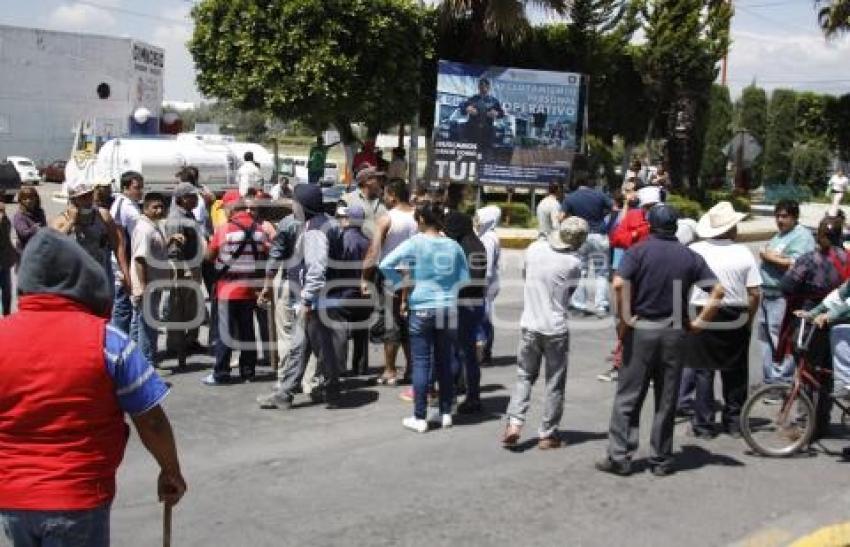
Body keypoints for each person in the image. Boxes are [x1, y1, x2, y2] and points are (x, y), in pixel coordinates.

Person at [0, 229, 185, 545]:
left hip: (13, 498)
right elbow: (150, 419)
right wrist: (171, 470)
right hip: (79, 495)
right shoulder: (110, 342)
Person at [596, 204, 725, 477]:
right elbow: (718, 290)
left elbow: (618, 284)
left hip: (642, 329)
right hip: (675, 332)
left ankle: (620, 456)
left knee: (628, 396)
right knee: (667, 399)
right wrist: (700, 323)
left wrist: (625, 318)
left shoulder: (638, 251)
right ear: (675, 226)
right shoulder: (689, 256)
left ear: (650, 225)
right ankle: (661, 459)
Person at [379, 202, 470, 433]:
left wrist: (402, 285)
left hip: (421, 308)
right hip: (447, 309)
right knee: (445, 361)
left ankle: (420, 417)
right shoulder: (453, 246)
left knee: (421, 363)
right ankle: (446, 412)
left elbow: (385, 264)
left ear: (420, 220)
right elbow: (465, 279)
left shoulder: (415, 243)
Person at [502, 217, 586, 449]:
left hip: (530, 323)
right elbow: (568, 295)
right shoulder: (574, 263)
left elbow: (525, 275)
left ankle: (514, 423)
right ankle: (547, 433)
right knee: (554, 382)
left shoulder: (534, 248)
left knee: (524, 375)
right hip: (556, 327)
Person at [686, 202, 762, 438]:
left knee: (703, 369)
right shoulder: (743, 252)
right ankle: (734, 421)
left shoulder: (695, 250)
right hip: (735, 311)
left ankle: (704, 424)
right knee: (736, 370)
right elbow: (755, 292)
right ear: (731, 229)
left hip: (701, 309)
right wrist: (748, 319)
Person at [782, 216, 849, 438]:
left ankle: (804, 424)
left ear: (819, 236)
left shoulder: (809, 260)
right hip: (841, 323)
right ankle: (823, 421)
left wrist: (813, 311)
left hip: (814, 319)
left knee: (807, 371)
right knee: (830, 373)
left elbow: (787, 285)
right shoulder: (848, 259)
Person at [204, 191, 270, 385]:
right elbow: (269, 251)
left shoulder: (225, 229)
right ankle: (248, 371)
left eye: (224, 208)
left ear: (231, 207)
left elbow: (208, 256)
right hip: (250, 288)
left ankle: (221, 373)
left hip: (227, 288)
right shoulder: (259, 230)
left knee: (225, 333)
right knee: (247, 330)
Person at [361, 179, 418, 385]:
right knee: (410, 322)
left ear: (393, 195)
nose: (384, 197)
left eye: (386, 194)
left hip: (391, 277)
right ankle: (412, 369)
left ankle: (390, 370)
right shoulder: (419, 217)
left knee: (391, 323)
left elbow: (373, 251)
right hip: (415, 276)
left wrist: (364, 277)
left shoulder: (386, 219)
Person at [758, 200, 816, 385]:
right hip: (767, 293)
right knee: (765, 339)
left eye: (784, 216)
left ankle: (782, 380)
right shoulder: (780, 235)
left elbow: (796, 264)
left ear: (795, 217)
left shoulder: (802, 236)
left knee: (781, 340)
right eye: (777, 216)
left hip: (782, 296)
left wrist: (768, 256)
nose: (780, 220)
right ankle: (770, 379)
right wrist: (774, 257)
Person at [52, 180, 131, 299]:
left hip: (101, 275)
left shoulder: (103, 215)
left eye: (90, 195)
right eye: (83, 197)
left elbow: (118, 243)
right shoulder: (61, 220)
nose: (88, 200)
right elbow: (53, 244)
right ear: (74, 200)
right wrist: (72, 222)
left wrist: (125, 273)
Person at [445, 212, 488, 415]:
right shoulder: (472, 243)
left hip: (465, 305)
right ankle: (464, 393)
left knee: (463, 353)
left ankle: (469, 397)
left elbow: (474, 278)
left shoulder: (469, 247)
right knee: (461, 352)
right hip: (471, 303)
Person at [131, 192, 177, 368]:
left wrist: (170, 240)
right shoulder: (144, 229)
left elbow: (156, 250)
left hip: (154, 283)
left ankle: (139, 360)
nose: (159, 210)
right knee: (147, 325)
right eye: (154, 207)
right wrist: (143, 286)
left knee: (143, 322)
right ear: (145, 209)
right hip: (148, 284)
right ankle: (146, 361)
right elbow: (140, 259)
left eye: (160, 207)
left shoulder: (153, 226)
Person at [561, 162, 613, 317]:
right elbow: (614, 208)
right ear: (590, 182)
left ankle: (580, 304)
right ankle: (601, 306)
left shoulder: (571, 198)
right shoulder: (600, 195)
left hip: (580, 237)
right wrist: (604, 219)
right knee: (601, 272)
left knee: (581, 271)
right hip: (599, 235)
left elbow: (561, 217)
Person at [165, 182, 204, 369]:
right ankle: (176, 344)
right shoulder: (176, 218)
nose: (195, 199)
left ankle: (190, 341)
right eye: (192, 196)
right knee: (178, 307)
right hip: (183, 267)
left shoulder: (188, 215)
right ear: (181, 199)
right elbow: (174, 249)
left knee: (192, 306)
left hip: (193, 265)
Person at [337, 205, 372, 375]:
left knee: (341, 331)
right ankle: (360, 366)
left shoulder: (342, 239)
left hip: (344, 290)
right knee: (361, 331)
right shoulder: (367, 241)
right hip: (364, 292)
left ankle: (340, 367)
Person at [109, 171, 143, 334]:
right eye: (136, 188)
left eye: (141, 187)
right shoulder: (122, 206)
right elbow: (120, 241)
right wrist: (125, 271)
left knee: (129, 306)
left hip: (131, 260)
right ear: (125, 188)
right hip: (124, 263)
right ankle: (119, 345)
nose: (140, 191)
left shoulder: (132, 204)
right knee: (123, 306)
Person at [475, 205, 501, 367]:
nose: (476, 221)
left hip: (486, 283)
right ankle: (483, 351)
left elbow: (488, 266)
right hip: (487, 283)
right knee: (483, 317)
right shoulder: (485, 235)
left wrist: (481, 284)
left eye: (479, 218)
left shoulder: (489, 238)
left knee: (484, 317)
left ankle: (484, 353)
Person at [459, 77, 504, 159]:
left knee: (486, 156)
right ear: (478, 87)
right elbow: (462, 107)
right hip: (472, 131)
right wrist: (467, 109)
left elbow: (502, 113)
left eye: (484, 86)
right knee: (471, 156)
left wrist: (496, 113)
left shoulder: (494, 101)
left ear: (489, 87)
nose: (482, 88)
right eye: (481, 86)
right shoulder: (473, 99)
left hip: (487, 132)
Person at [341, 166, 387, 240]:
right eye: (378, 179)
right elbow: (341, 223)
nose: (381, 182)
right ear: (367, 181)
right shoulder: (346, 199)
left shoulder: (386, 200)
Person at [12, 186, 46, 254]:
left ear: (36, 198)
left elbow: (45, 227)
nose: (28, 201)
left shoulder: (40, 212)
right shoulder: (19, 216)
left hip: (39, 249)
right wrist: (35, 229)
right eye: (25, 199)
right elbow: (23, 233)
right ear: (21, 200)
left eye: (31, 198)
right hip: (24, 251)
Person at [0, 203, 16, 315]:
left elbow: (6, 236)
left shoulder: (5, 220)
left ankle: (6, 317)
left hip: (4, 262)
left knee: (7, 293)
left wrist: (3, 219)